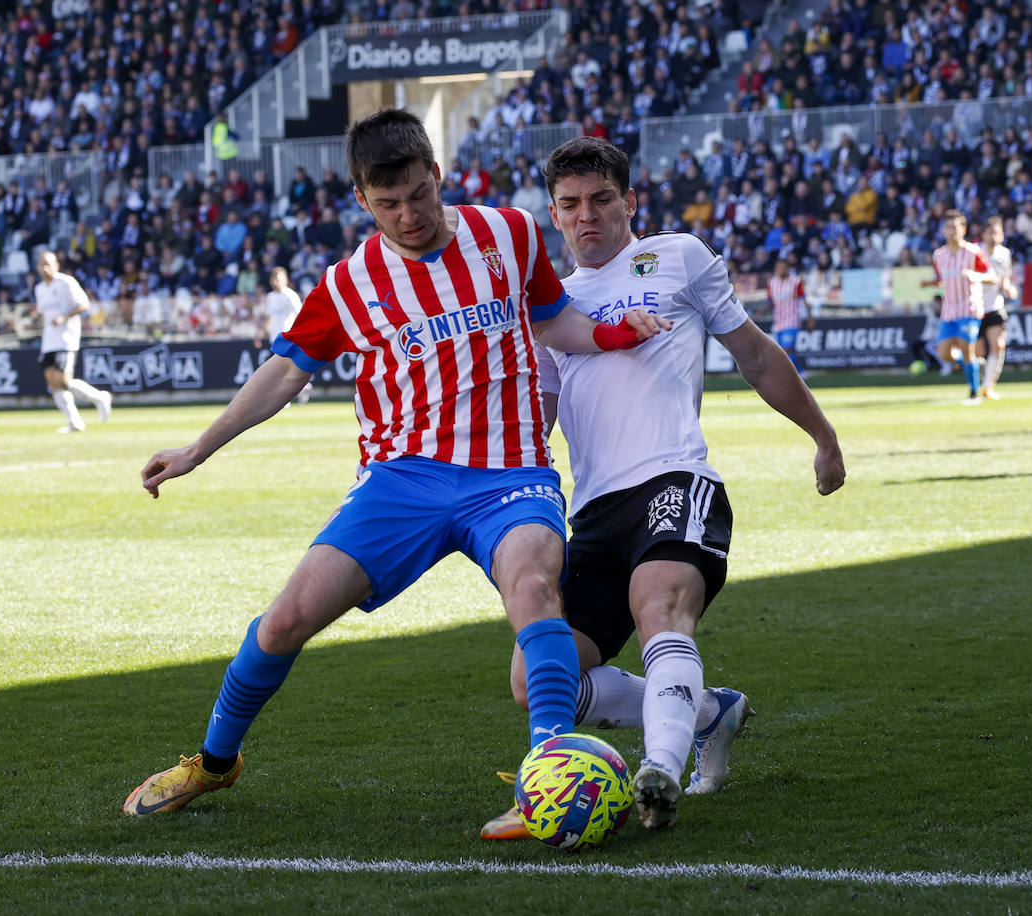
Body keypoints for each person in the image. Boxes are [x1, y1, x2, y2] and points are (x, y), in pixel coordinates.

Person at [121, 109, 669, 817]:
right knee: (285, 621)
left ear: (436, 174)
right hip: (402, 478)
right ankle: (215, 762)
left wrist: (613, 335)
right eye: (387, 204)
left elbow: (551, 317)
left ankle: (551, 772)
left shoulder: (507, 233)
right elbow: (285, 373)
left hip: (511, 472)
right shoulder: (349, 282)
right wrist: (199, 448)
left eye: (418, 193)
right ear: (361, 200)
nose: (408, 214)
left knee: (534, 589)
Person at [481, 137, 846, 838]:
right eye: (570, 204)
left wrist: (823, 437)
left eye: (601, 199)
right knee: (537, 680)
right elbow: (539, 420)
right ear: (553, 215)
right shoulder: (551, 309)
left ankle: (660, 771)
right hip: (591, 516)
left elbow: (756, 356)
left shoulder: (678, 255)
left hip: (676, 480)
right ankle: (710, 712)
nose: (586, 215)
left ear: (628, 201)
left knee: (658, 610)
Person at [33, 251, 113, 433]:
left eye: (48, 264)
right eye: (41, 264)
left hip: (65, 339)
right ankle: (75, 421)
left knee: (64, 380)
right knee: (52, 383)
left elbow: (84, 304)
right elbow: (42, 313)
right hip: (48, 341)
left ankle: (99, 397)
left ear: (56, 265)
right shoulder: (39, 289)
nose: (44, 268)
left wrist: (64, 316)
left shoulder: (66, 282)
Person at [930, 211, 996, 404]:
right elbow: (941, 279)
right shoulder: (938, 255)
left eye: (955, 227)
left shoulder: (973, 252)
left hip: (969, 307)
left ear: (963, 230)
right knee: (943, 353)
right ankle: (974, 364)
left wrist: (977, 276)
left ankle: (974, 393)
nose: (951, 231)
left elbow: (992, 276)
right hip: (948, 310)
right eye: (948, 227)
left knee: (967, 349)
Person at [975, 216, 1017, 399]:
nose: (994, 236)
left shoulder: (1005, 254)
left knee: (998, 345)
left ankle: (988, 387)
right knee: (977, 351)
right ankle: (979, 375)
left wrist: (1009, 288)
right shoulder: (976, 252)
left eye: (997, 233)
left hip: (995, 305)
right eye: (990, 232)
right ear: (983, 235)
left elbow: (1005, 279)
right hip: (976, 305)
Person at [256, 266, 310, 405]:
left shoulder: (291, 296)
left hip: (289, 338)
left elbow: (301, 314)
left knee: (285, 371)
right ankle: (295, 393)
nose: (275, 282)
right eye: (273, 279)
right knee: (278, 371)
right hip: (275, 339)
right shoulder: (270, 297)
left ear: (285, 280)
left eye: (278, 278)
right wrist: (261, 333)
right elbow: (269, 317)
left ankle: (289, 397)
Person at [766, 258, 811, 372]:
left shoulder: (796, 282)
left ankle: (798, 374)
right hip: (778, 323)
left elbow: (804, 300)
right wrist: (758, 315)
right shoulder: (772, 283)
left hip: (792, 321)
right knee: (782, 352)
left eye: (783, 267)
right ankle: (800, 372)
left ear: (788, 268)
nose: (781, 269)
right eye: (779, 267)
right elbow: (770, 302)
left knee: (787, 349)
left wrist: (811, 317)